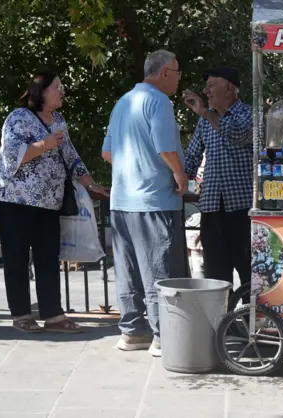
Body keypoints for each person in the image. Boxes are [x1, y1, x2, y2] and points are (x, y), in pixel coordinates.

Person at [0, 71, 108, 333]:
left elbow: (70, 155)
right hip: (14, 201)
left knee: (48, 258)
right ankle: (21, 315)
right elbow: (10, 158)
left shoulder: (59, 120)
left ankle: (54, 316)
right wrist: (45, 143)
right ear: (41, 91)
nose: (63, 90)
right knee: (17, 258)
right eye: (58, 86)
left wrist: (91, 183)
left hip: (49, 204)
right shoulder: (18, 118)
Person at [102, 50, 187, 357]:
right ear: (164, 72)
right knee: (158, 270)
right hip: (154, 199)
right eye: (177, 72)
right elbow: (165, 147)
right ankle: (163, 335)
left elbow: (108, 153)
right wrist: (179, 173)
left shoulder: (122, 102)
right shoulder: (159, 102)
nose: (179, 79)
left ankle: (132, 332)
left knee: (128, 270)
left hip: (122, 200)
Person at [182, 67, 252, 285]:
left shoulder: (248, 114)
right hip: (212, 209)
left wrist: (205, 112)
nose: (206, 91)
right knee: (216, 277)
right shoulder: (205, 121)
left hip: (243, 209)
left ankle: (251, 319)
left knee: (249, 273)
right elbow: (191, 157)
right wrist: (178, 181)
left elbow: (236, 135)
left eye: (212, 85)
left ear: (229, 89)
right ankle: (223, 320)